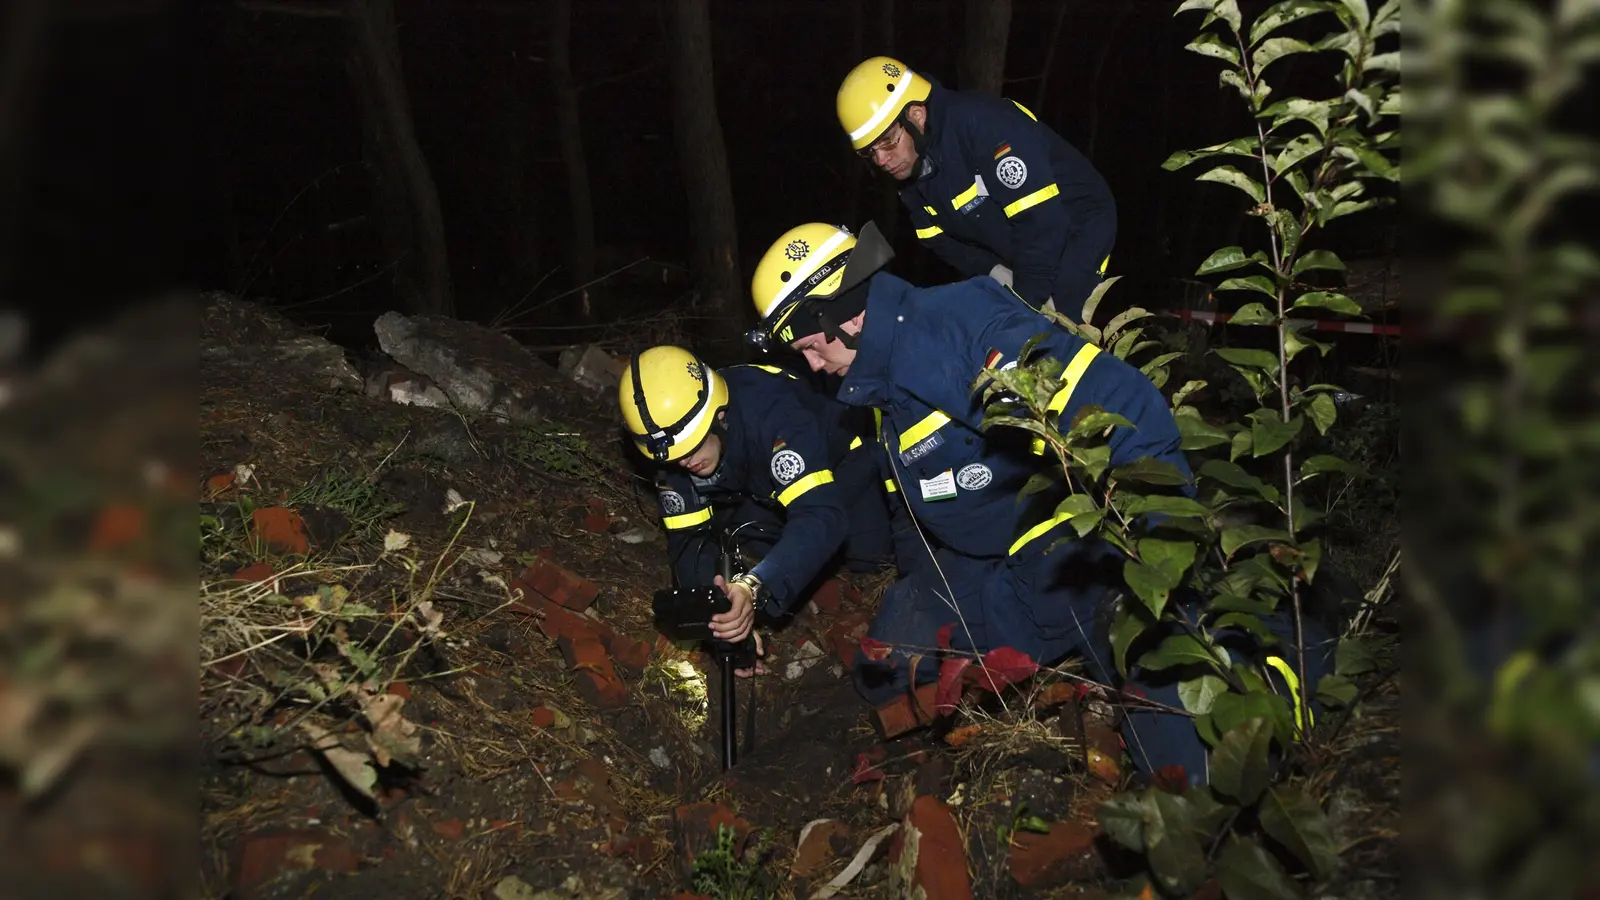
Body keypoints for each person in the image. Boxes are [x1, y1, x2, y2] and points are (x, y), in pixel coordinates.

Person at [748, 220, 1334, 786]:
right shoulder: (878, 380)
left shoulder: (955, 327)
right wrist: (924, 589)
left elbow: (1125, 406)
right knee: (883, 668)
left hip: (1077, 558)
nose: (809, 363)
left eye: (807, 343)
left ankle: (1285, 658)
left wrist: (1155, 559)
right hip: (989, 570)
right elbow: (911, 506)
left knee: (1199, 770)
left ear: (846, 312)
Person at [618, 345, 893, 652]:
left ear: (719, 416)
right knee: (760, 550)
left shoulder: (774, 410)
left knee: (869, 557)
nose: (684, 462)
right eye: (674, 456)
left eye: (692, 446)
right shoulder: (674, 445)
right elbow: (688, 542)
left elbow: (820, 516)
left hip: (841, 461)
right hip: (755, 484)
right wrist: (723, 626)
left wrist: (755, 586)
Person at [835, 55, 1117, 321]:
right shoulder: (911, 171)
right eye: (870, 152)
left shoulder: (985, 125)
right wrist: (996, 274)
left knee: (1064, 332)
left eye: (887, 142)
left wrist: (1025, 304)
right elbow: (941, 242)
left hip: (1076, 227)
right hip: (1020, 250)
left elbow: (1042, 223)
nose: (881, 160)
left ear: (917, 115)